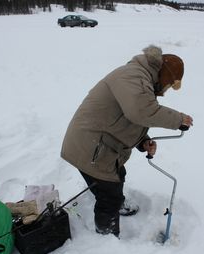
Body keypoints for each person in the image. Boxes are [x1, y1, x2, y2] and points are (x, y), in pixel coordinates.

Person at [61, 45, 193, 237]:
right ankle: (106, 236)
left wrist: (143, 141)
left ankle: (117, 205)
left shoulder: (140, 78)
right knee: (109, 195)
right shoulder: (134, 77)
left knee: (117, 175)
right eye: (169, 85)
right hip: (89, 147)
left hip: (98, 144)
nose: (166, 90)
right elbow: (141, 112)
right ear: (165, 76)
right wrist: (178, 119)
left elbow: (129, 117)